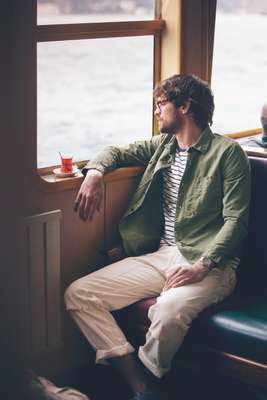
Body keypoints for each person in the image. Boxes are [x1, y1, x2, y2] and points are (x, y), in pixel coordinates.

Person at [65, 74, 251, 400]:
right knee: (80, 294)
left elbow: (236, 221)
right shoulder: (163, 146)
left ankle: (151, 379)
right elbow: (116, 152)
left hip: (212, 264)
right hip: (162, 256)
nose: (156, 112)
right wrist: (94, 173)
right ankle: (140, 384)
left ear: (184, 106)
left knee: (167, 312)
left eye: (160, 104)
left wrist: (203, 265)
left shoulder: (228, 153)